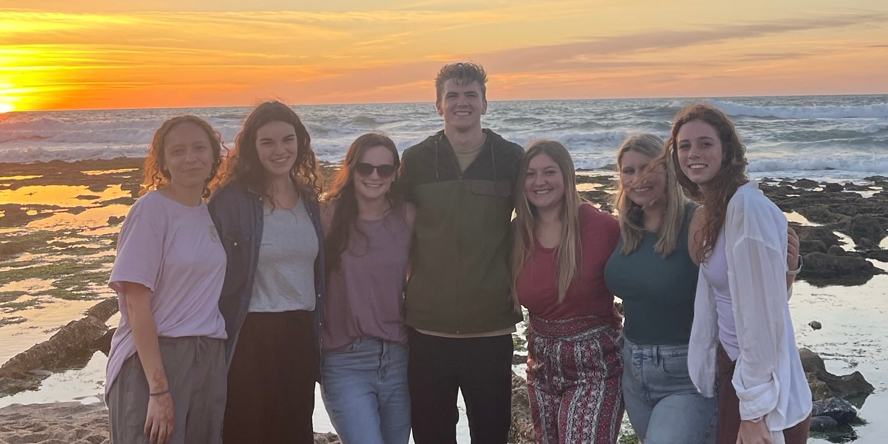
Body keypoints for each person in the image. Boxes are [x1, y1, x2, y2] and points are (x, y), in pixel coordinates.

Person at [667, 103, 812, 444]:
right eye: (684, 146)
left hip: (764, 395)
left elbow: (761, 318)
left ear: (727, 150)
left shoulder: (747, 209)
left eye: (705, 143)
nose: (693, 153)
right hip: (737, 374)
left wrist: (753, 413)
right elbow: (760, 295)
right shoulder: (718, 209)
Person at [399, 62, 525, 443]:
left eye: (471, 95)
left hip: (491, 327)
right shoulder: (416, 159)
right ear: (438, 105)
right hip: (426, 328)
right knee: (431, 435)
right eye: (452, 95)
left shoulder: (510, 157)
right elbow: (399, 238)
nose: (462, 102)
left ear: (485, 103)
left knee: (491, 434)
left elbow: (537, 225)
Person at [208, 101, 325, 444]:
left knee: (294, 430)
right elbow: (206, 268)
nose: (280, 150)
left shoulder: (309, 200)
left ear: (300, 143)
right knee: (245, 430)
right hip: (249, 333)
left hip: (301, 332)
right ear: (252, 147)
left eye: (288, 140)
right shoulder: (230, 201)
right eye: (267, 142)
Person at [106, 115, 228, 444]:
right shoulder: (151, 211)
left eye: (199, 148)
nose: (190, 158)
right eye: (178, 151)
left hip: (208, 358)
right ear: (164, 161)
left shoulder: (209, 213)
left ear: (214, 156)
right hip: (154, 359)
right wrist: (159, 388)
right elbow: (135, 301)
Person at [604, 134, 718, 444]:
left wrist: (790, 266)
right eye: (629, 171)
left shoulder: (698, 222)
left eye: (647, 168)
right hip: (632, 369)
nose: (637, 179)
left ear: (669, 170)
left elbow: (745, 280)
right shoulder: (627, 228)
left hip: (686, 374)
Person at [512, 140, 624, 444]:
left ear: (567, 176)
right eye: (530, 174)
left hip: (597, 367)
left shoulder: (603, 227)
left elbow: (642, 279)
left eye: (549, 172)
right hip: (542, 366)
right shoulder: (516, 235)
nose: (539, 182)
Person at [319, 133, 415, 444]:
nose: (374, 176)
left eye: (384, 170)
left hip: (398, 356)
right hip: (344, 360)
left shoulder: (408, 217)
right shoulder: (326, 216)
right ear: (350, 168)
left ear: (394, 174)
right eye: (365, 168)